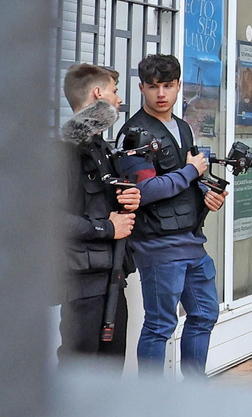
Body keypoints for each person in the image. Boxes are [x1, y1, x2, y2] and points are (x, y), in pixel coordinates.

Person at [120, 54, 223, 375]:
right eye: (153, 87)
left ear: (179, 86)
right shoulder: (134, 134)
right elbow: (145, 193)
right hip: (158, 244)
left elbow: (184, 179)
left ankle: (194, 391)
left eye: (168, 86)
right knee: (160, 324)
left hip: (191, 240)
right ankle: (151, 406)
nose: (161, 94)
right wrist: (193, 173)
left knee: (205, 313)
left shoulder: (181, 127)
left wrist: (207, 194)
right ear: (141, 88)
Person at [56, 63, 140, 366]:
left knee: (110, 369)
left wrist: (129, 199)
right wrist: (107, 228)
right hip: (82, 284)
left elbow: (108, 206)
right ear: (97, 93)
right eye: (114, 92)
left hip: (114, 276)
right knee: (79, 369)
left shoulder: (101, 149)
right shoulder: (65, 152)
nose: (119, 100)